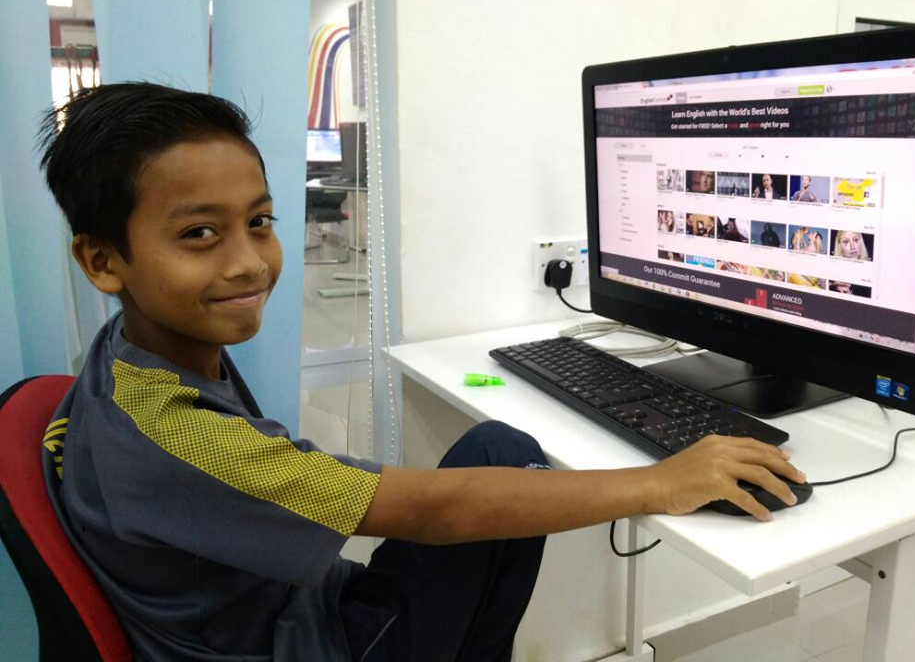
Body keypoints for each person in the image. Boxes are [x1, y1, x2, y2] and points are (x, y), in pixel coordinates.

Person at [38, 83, 805, 662]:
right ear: (103, 260)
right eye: (200, 234)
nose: (248, 262)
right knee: (496, 480)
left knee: (503, 447)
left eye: (259, 222)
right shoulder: (174, 433)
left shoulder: (128, 358)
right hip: (294, 643)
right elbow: (427, 510)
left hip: (278, 608)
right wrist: (659, 482)